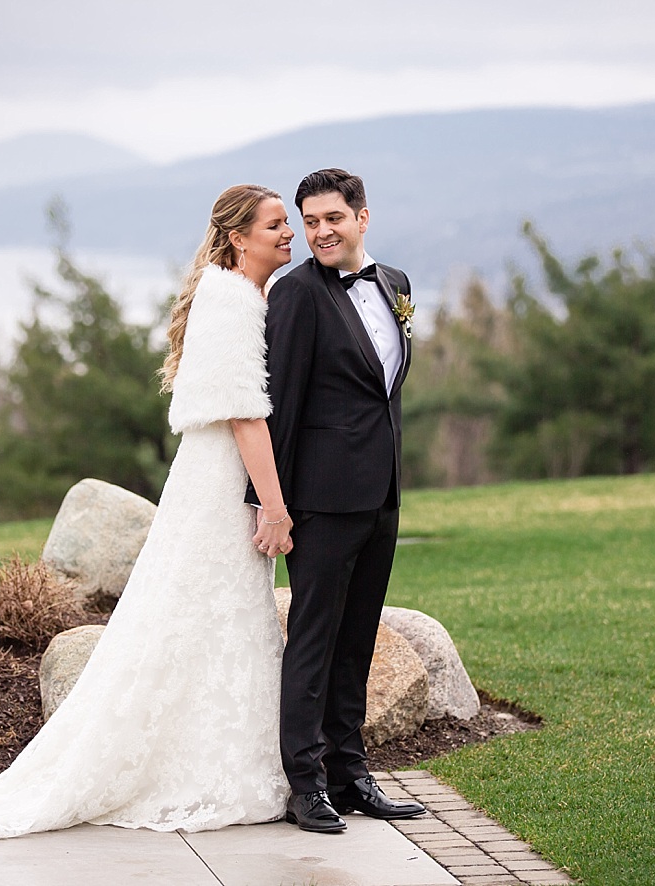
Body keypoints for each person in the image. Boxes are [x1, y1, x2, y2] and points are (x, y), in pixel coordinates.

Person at [0, 184, 297, 839]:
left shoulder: (237, 293)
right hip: (221, 483)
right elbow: (245, 411)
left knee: (213, 614)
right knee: (209, 609)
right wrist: (273, 506)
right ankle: (190, 770)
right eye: (276, 225)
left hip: (211, 476)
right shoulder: (234, 299)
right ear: (238, 236)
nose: (289, 234)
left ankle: (219, 757)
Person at [252, 168, 426, 832]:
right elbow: (280, 406)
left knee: (357, 640)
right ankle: (306, 784)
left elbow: (384, 390)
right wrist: (271, 503)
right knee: (314, 643)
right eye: (309, 221)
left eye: (332, 218)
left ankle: (351, 775)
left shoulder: (395, 285)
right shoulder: (294, 295)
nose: (320, 232)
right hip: (320, 500)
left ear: (362, 218)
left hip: (381, 494)